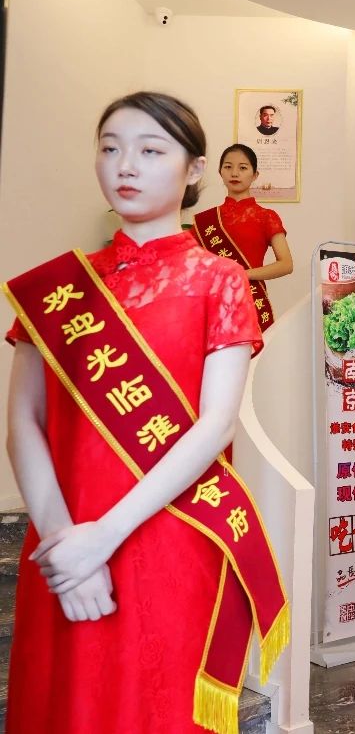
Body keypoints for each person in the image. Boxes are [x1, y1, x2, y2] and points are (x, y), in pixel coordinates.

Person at [3, 92, 289, 734]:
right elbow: (23, 423)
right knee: (65, 705)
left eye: (151, 150)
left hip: (168, 532)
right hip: (63, 539)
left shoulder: (220, 280)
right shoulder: (56, 289)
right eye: (110, 148)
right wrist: (67, 545)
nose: (125, 165)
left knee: (157, 706)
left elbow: (217, 424)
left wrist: (103, 538)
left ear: (194, 169)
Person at [194, 144, 293, 331]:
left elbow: (286, 264)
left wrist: (243, 275)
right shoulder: (206, 221)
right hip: (216, 303)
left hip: (251, 301)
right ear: (220, 172)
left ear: (255, 175)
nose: (234, 173)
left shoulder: (266, 216)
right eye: (228, 167)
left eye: (243, 168)